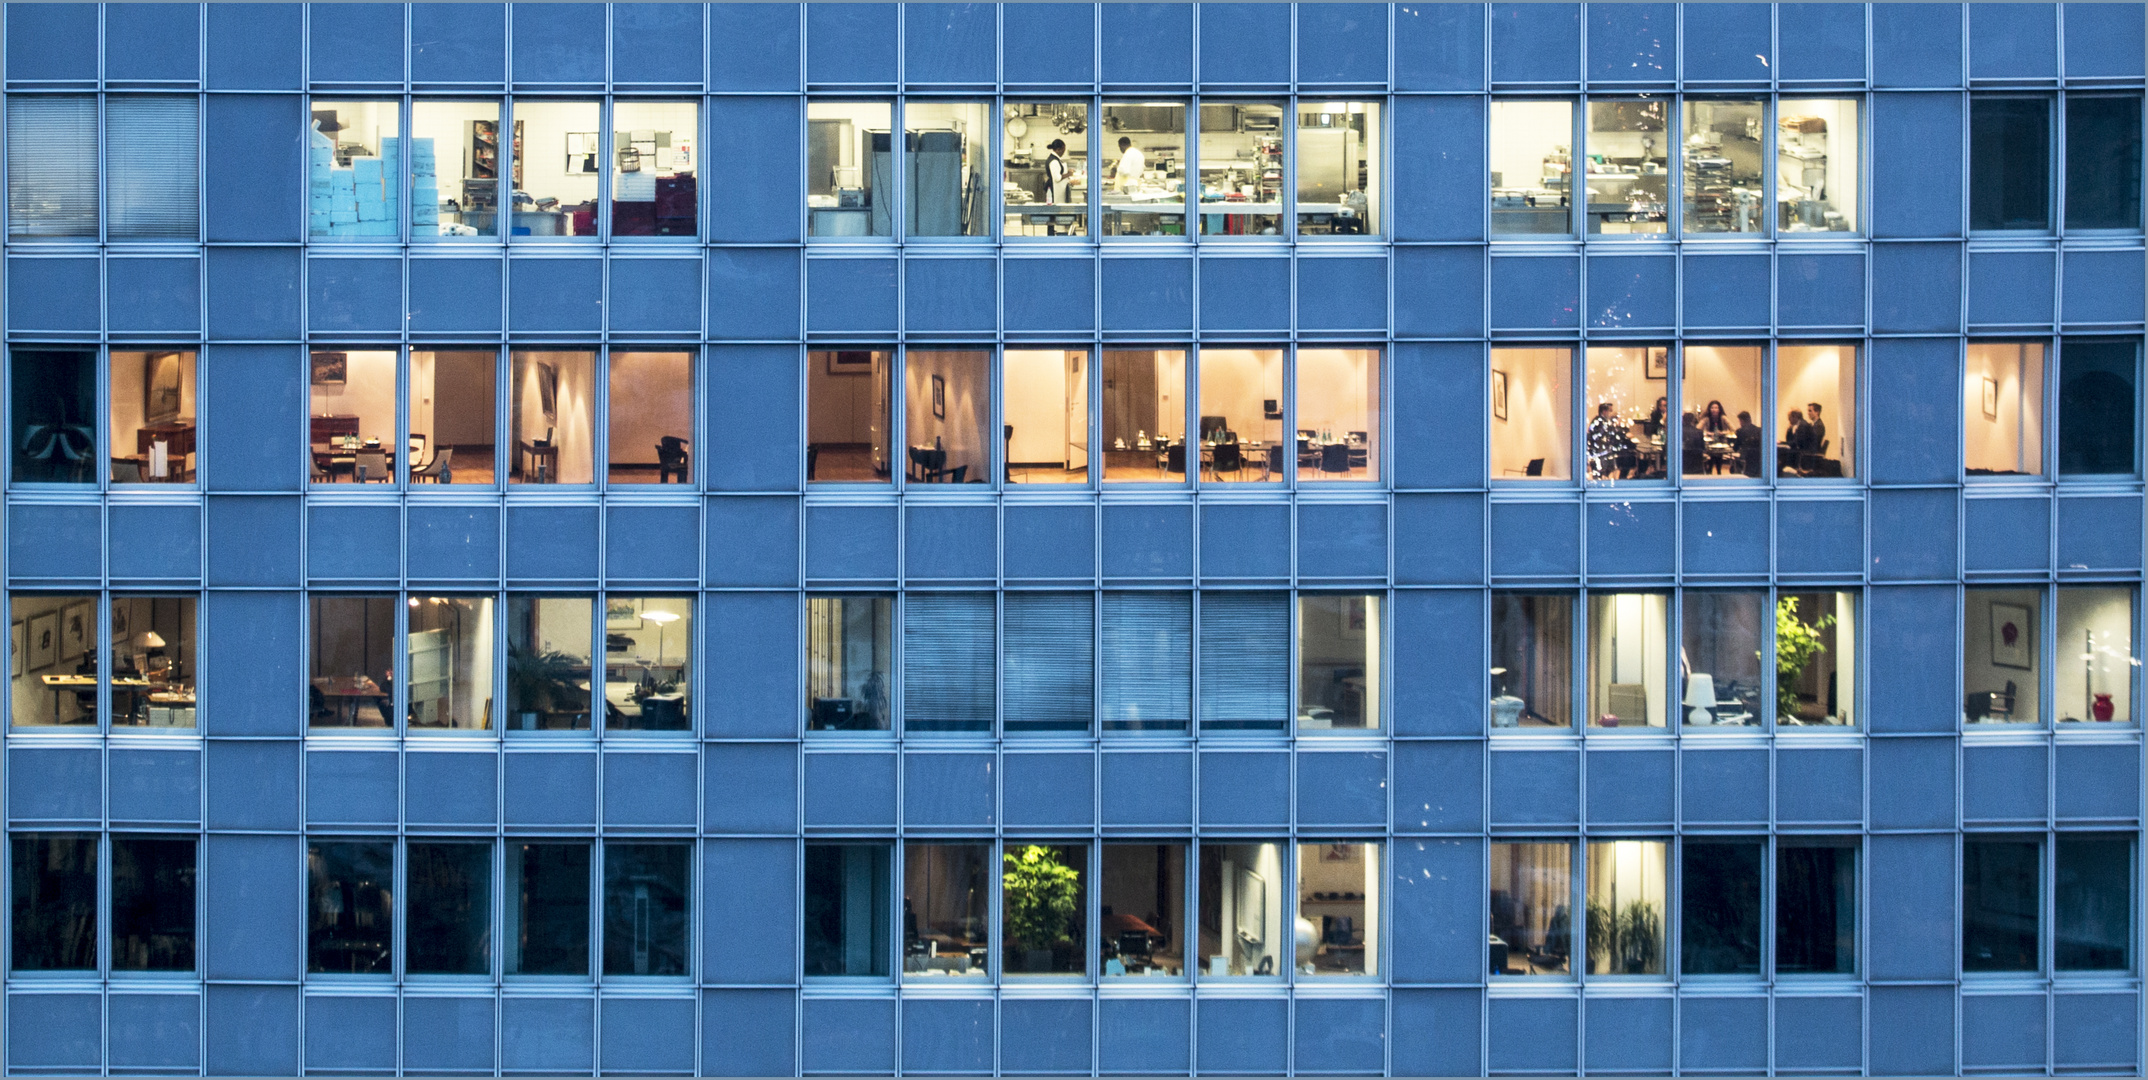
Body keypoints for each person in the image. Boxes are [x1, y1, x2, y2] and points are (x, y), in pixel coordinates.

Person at [1586, 402, 1637, 480]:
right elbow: (1611, 435)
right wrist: (1624, 435)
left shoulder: (1600, 420)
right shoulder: (1601, 422)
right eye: (1610, 411)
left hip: (1602, 449)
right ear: (1604, 411)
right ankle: (1622, 478)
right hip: (1602, 451)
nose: (1611, 414)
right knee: (1628, 455)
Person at [1734, 410, 1763, 477]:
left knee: (1736, 460)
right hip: (1758, 457)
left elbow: (1736, 447)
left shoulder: (1740, 431)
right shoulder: (1759, 430)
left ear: (1741, 420)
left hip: (1746, 457)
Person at [1680, 411, 1707, 476]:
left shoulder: (1677, 431)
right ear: (1693, 421)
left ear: (1683, 420)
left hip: (1681, 462)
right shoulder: (1699, 432)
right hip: (1696, 465)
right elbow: (1703, 448)